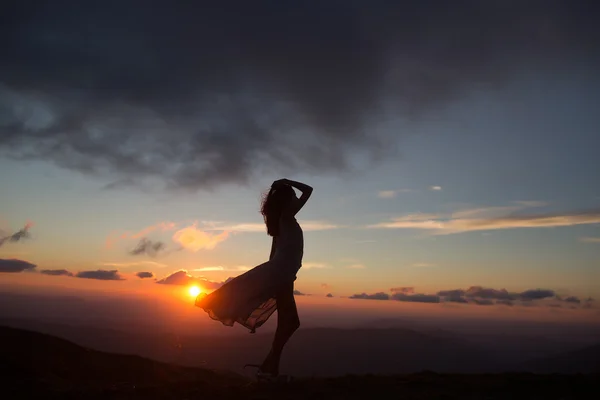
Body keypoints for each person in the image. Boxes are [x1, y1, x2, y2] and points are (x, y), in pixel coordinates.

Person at [195, 178, 313, 380]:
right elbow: (308, 190)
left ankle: (269, 368)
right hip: (283, 273)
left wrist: (273, 276)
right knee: (290, 322)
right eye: (292, 196)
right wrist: (285, 182)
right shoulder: (286, 216)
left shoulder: (281, 221)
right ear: (286, 201)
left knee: (290, 322)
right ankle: (268, 369)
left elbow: (273, 255)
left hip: (282, 273)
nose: (295, 198)